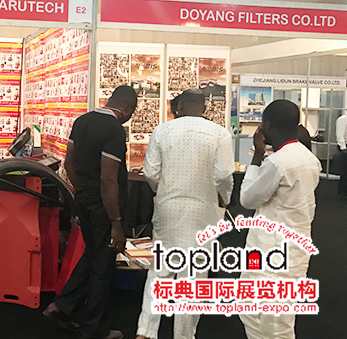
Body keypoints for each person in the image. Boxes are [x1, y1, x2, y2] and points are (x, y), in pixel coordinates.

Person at [135, 89, 235, 339]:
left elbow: (151, 172)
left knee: (159, 270)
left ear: (179, 107)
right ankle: (183, 335)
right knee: (194, 275)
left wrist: (164, 191)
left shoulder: (162, 131)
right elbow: (224, 175)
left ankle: (145, 331)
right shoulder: (220, 134)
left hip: (168, 208)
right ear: (204, 108)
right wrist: (223, 199)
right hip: (204, 211)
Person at [43, 85, 138, 339]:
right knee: (103, 265)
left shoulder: (82, 121)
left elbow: (69, 163)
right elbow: (108, 179)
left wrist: (82, 190)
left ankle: (62, 306)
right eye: (131, 112)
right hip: (104, 207)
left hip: (84, 200)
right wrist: (116, 223)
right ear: (128, 107)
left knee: (92, 255)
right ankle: (95, 328)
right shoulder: (114, 130)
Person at [238, 100, 321, 339]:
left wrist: (257, 157)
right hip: (291, 250)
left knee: (274, 323)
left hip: (271, 254)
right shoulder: (309, 159)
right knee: (260, 315)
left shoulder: (277, 162)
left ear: (267, 125)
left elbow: (247, 199)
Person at [335, 110, 347, 198]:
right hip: (345, 147)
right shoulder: (343, 119)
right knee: (345, 171)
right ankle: (343, 191)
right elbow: (339, 135)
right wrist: (343, 148)